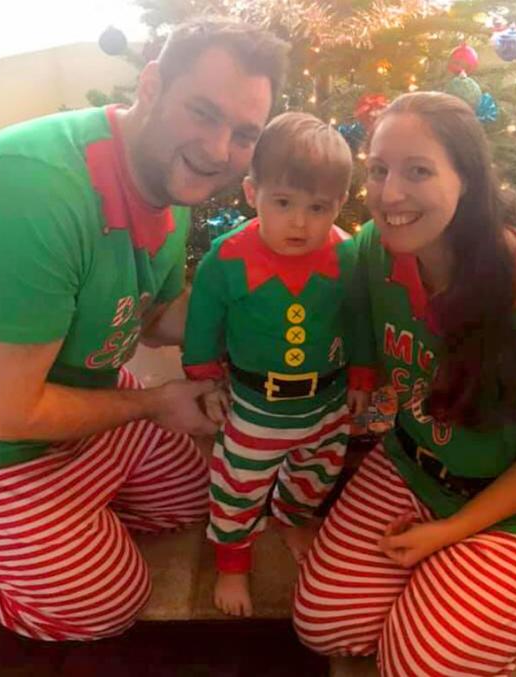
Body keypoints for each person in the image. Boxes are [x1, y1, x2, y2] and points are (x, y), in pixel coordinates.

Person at [0, 19, 287, 641]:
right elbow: (4, 414)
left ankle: (64, 507)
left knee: (195, 498)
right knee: (109, 601)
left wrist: (256, 327)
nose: (217, 148)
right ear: (151, 85)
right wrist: (151, 403)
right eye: (202, 112)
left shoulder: (166, 179)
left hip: (69, 388)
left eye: (243, 135)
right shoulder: (34, 193)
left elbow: (152, 316)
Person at [291, 92, 516, 675]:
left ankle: (482, 588)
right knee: (322, 620)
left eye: (418, 171)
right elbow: (337, 307)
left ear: (468, 180)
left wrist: (452, 533)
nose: (389, 194)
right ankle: (454, 588)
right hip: (415, 465)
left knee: (418, 664)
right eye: (378, 170)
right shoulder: (372, 252)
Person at [181, 112, 375, 617]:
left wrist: (360, 373)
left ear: (339, 205)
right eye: (283, 203)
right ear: (252, 193)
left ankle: (294, 517)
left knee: (316, 472)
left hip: (327, 403)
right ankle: (231, 561)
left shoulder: (347, 255)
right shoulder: (226, 259)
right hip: (253, 408)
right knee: (238, 485)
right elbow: (202, 326)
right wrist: (203, 377)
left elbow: (359, 319)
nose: (300, 222)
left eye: (319, 207)